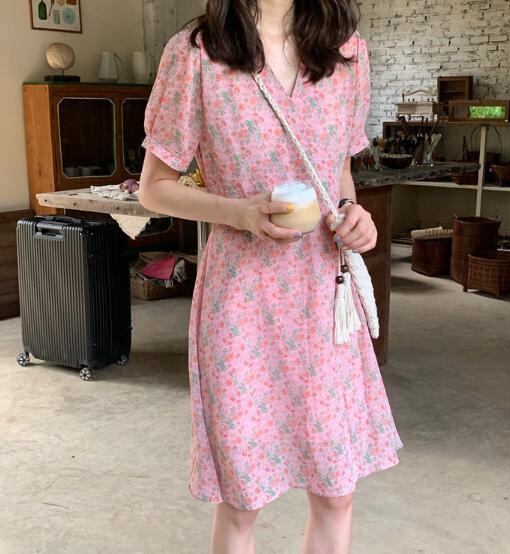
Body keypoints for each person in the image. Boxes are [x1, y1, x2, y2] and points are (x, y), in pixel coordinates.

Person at [138, 1, 403, 552]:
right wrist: (239, 213)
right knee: (242, 499)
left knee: (336, 491)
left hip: (324, 299)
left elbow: (339, 171)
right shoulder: (197, 54)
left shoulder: (347, 50)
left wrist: (354, 213)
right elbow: (154, 188)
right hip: (242, 304)